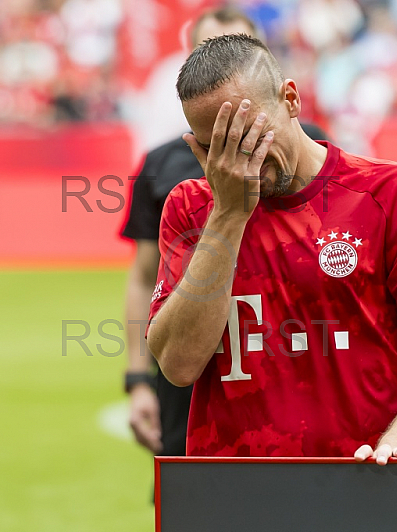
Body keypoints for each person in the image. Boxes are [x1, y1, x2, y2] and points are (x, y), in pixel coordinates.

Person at [146, 34, 397, 461]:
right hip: (233, 493)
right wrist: (227, 215)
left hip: (368, 480)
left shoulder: (395, 194)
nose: (240, 162)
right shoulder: (190, 207)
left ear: (291, 99)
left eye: (249, 136)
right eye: (214, 147)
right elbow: (178, 365)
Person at [121, 8, 327, 457]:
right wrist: (138, 379)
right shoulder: (164, 168)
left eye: (239, 48)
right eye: (208, 50)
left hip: (290, 361)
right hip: (195, 374)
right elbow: (142, 275)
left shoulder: (310, 146)